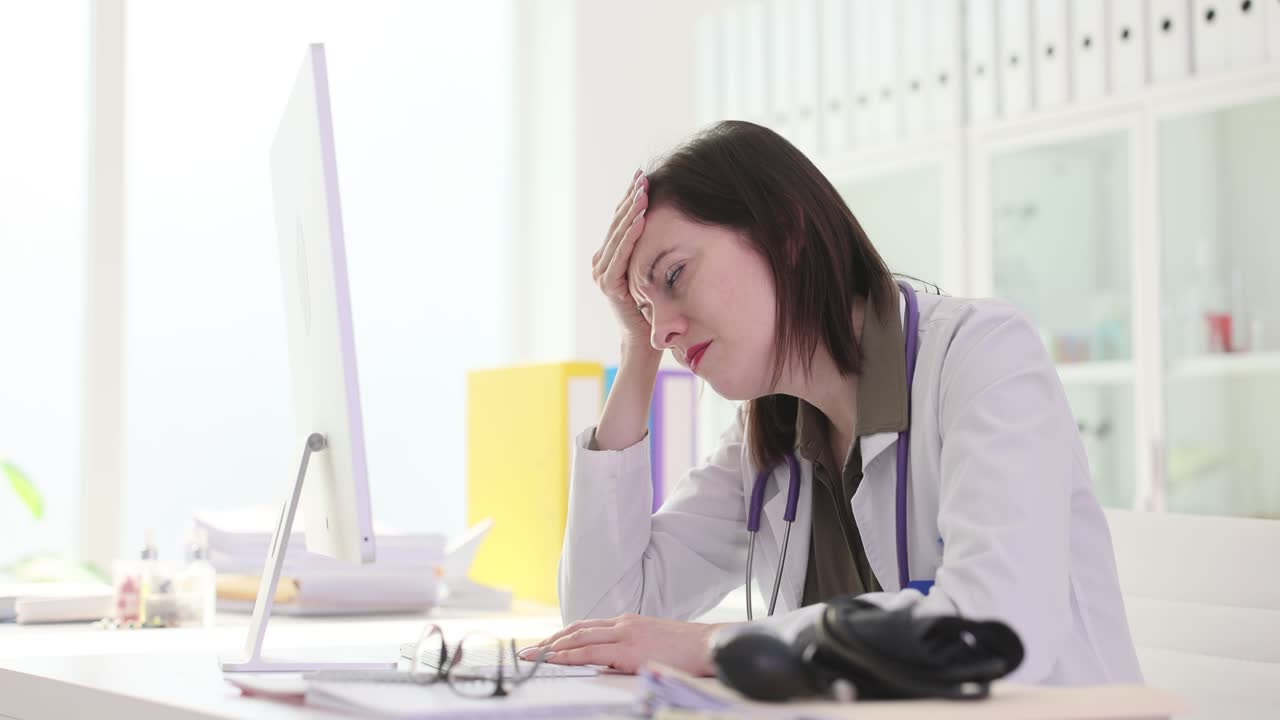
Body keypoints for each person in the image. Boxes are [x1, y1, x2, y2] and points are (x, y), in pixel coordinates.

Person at [520, 121, 1142, 685]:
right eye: (646, 310)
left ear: (785, 231)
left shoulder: (982, 356)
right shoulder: (768, 434)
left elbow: (995, 630)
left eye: (675, 276)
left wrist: (715, 644)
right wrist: (636, 350)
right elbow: (602, 618)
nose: (663, 330)